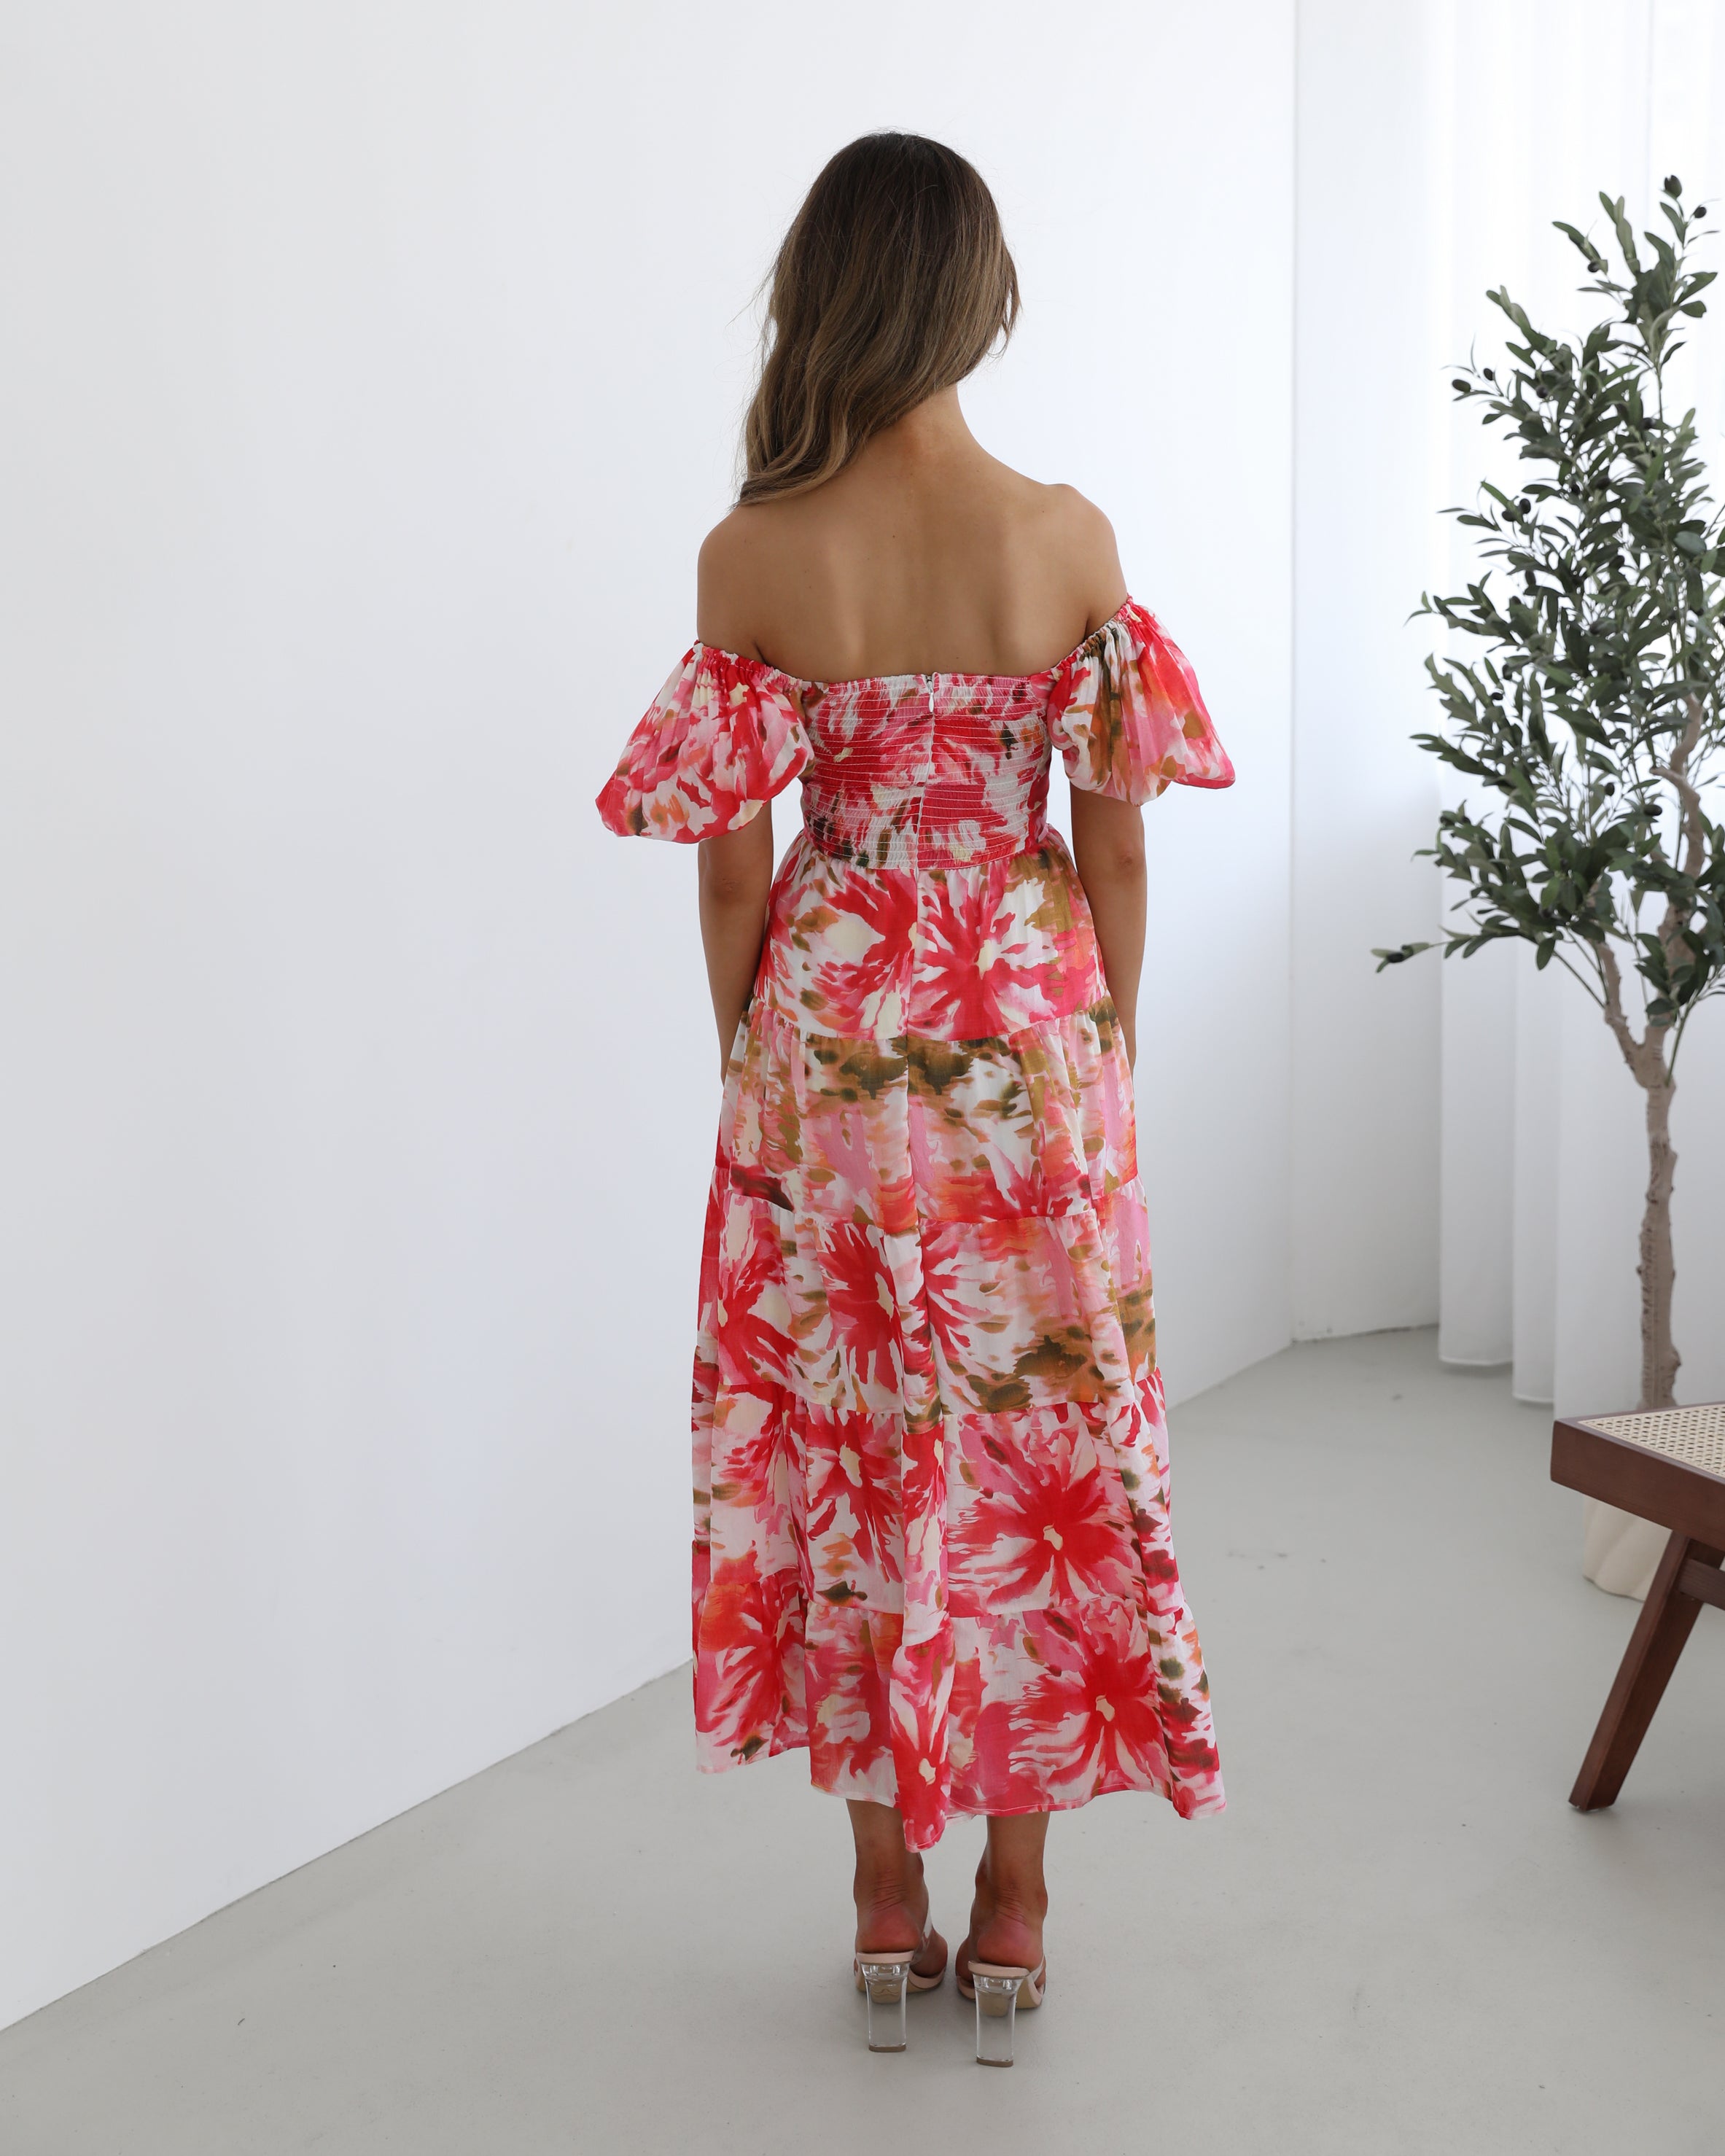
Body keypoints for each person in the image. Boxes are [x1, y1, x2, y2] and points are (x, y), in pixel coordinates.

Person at [597, 132, 1230, 2063]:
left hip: (837, 1048)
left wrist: (754, 1052)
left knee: (869, 1452)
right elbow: (1117, 851)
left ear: (822, 291)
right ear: (979, 297)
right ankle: (1020, 1903)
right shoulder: (1066, 538)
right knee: (1043, 1456)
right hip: (1030, 1037)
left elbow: (727, 861)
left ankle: (885, 1889)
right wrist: (1097, 1045)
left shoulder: (757, 549)